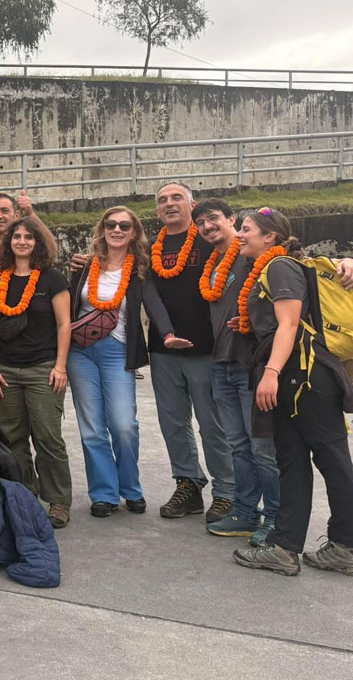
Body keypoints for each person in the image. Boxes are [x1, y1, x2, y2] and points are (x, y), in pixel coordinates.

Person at [232, 208, 353, 576]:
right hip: (299, 378)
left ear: (270, 238)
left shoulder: (279, 266)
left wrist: (270, 373)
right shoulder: (278, 267)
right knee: (295, 463)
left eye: (247, 229)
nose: (239, 234)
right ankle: (286, 548)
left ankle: (345, 545)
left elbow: (289, 325)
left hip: (301, 378)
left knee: (332, 461)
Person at [66, 207, 184, 519]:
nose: (117, 230)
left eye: (124, 225)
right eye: (111, 224)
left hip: (117, 351)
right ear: (102, 228)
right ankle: (103, 493)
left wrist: (168, 333)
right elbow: (65, 306)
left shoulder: (140, 271)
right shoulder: (84, 266)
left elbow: (154, 304)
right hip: (80, 353)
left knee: (123, 425)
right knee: (92, 427)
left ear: (133, 233)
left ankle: (130, 488)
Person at [145, 182, 235, 523]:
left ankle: (227, 492)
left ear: (191, 204)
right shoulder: (150, 247)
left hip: (206, 349)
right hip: (164, 350)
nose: (169, 204)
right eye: (162, 200)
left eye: (176, 198)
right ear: (157, 211)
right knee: (172, 423)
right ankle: (188, 485)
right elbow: (149, 293)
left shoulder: (209, 238)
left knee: (213, 425)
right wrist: (167, 334)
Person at [194, 198, 280, 543]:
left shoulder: (257, 256)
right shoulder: (214, 261)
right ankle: (246, 512)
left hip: (252, 366)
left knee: (263, 448)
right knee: (239, 446)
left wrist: (346, 261)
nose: (207, 226)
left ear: (231, 219)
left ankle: (276, 519)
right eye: (200, 222)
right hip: (221, 362)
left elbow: (299, 264)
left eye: (213, 218)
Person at [0, 215, 73, 528]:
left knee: (48, 437)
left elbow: (64, 325)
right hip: (6, 371)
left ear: (38, 243)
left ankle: (59, 500)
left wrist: (61, 366)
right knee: (13, 438)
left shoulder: (53, 279)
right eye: (16, 236)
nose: (22, 241)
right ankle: (25, 494)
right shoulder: (0, 281)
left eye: (28, 237)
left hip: (42, 369)